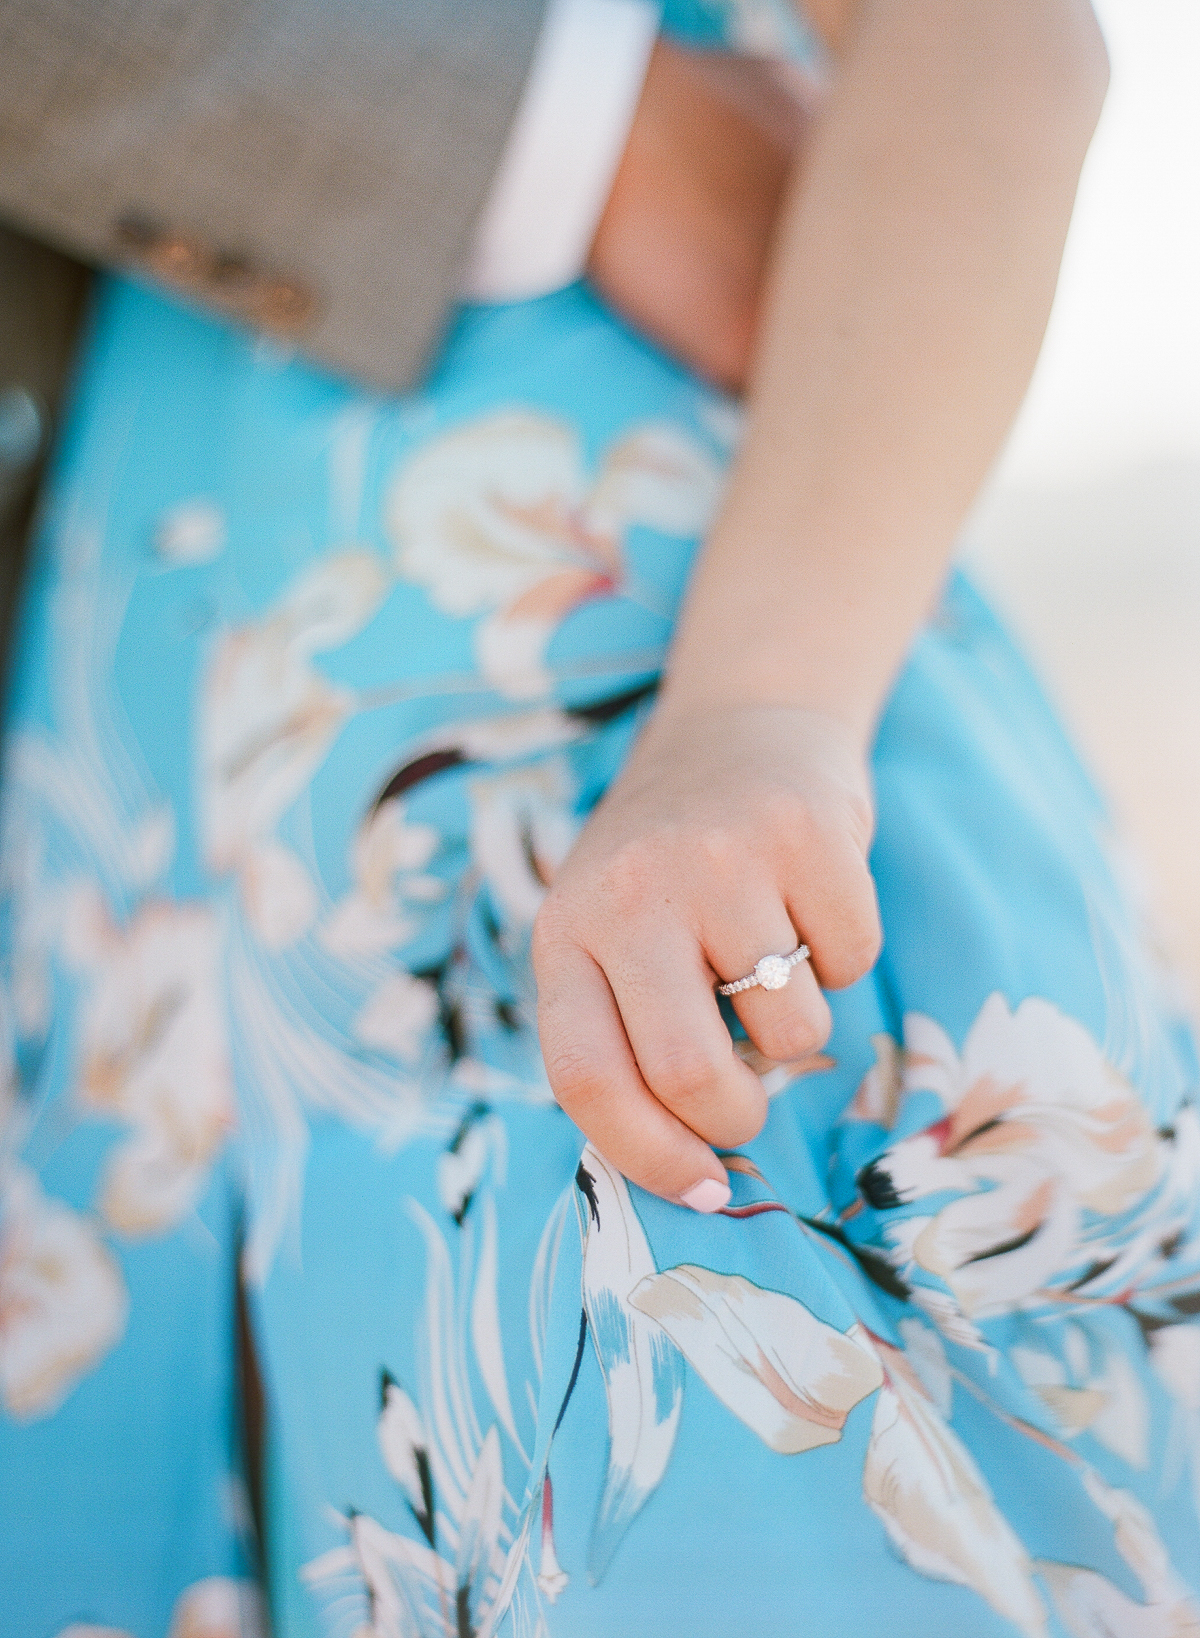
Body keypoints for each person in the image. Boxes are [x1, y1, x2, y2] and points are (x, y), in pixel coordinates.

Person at [3, 1, 1200, 1636]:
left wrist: (752, 719)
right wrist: (568, 115)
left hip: (653, 669)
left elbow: (986, 35)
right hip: (117, 770)